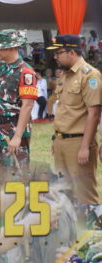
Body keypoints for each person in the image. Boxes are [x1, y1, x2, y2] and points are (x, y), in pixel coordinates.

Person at [48, 34, 102, 205]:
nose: (55, 57)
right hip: (61, 141)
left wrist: (85, 147)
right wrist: (56, 138)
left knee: (84, 192)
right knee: (64, 191)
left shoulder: (90, 76)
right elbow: (64, 108)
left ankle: (92, 228)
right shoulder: (64, 75)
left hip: (79, 142)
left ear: (71, 52)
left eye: (59, 53)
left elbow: (94, 114)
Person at [0, 30, 37, 182]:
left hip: (14, 130)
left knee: (16, 176)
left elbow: (27, 105)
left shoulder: (26, 72)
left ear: (12, 48)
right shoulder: (4, 68)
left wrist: (17, 137)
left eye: (0, 48)